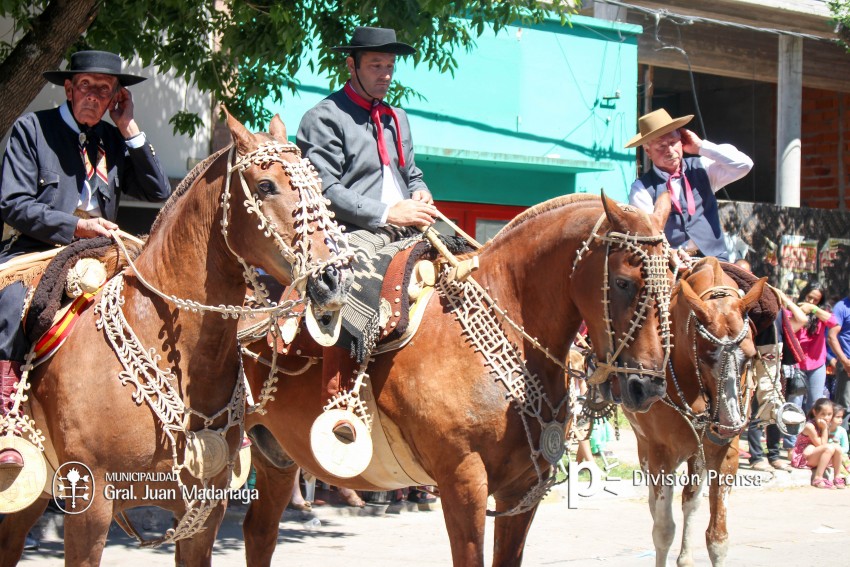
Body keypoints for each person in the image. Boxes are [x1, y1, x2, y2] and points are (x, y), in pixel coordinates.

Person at [0, 50, 170, 469]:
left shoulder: (113, 139)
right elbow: (13, 203)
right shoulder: (32, 130)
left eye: (105, 89)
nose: (95, 95)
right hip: (40, 250)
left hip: (106, 255)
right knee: (9, 302)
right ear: (70, 88)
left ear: (116, 96)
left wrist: (128, 126)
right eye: (88, 86)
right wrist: (76, 228)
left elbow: (159, 191)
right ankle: (5, 413)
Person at [296, 25, 436, 233]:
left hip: (409, 230)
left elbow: (412, 176)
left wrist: (420, 191)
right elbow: (323, 189)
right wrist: (387, 213)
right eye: (376, 66)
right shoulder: (324, 118)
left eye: (390, 66)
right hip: (353, 234)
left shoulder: (398, 117)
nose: (386, 75)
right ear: (352, 65)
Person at [627, 109, 753, 261]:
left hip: (715, 259)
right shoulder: (641, 188)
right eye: (661, 146)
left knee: (746, 284)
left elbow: (744, 165)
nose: (670, 151)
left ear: (682, 141)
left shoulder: (702, 167)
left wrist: (701, 146)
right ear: (648, 151)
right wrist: (670, 254)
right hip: (671, 263)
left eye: (673, 142)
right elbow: (648, 231)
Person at [788, 281, 838, 413]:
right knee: (795, 402)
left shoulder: (820, 312)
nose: (811, 301)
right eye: (809, 297)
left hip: (816, 364)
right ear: (804, 294)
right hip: (797, 364)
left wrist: (813, 309)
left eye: (815, 300)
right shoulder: (793, 309)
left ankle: (811, 432)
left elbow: (833, 322)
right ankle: (792, 434)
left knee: (815, 403)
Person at [790, 398, 846, 489]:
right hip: (803, 458)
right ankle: (818, 478)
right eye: (823, 414)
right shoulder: (810, 426)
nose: (827, 418)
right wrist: (824, 429)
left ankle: (837, 476)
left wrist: (825, 428)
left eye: (829, 414)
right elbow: (822, 445)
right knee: (829, 448)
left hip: (814, 454)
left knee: (837, 447)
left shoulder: (825, 424)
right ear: (815, 413)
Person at [827, 290, 850, 431]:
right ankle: (841, 445)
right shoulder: (841, 307)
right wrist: (845, 361)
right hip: (847, 363)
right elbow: (831, 336)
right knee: (844, 406)